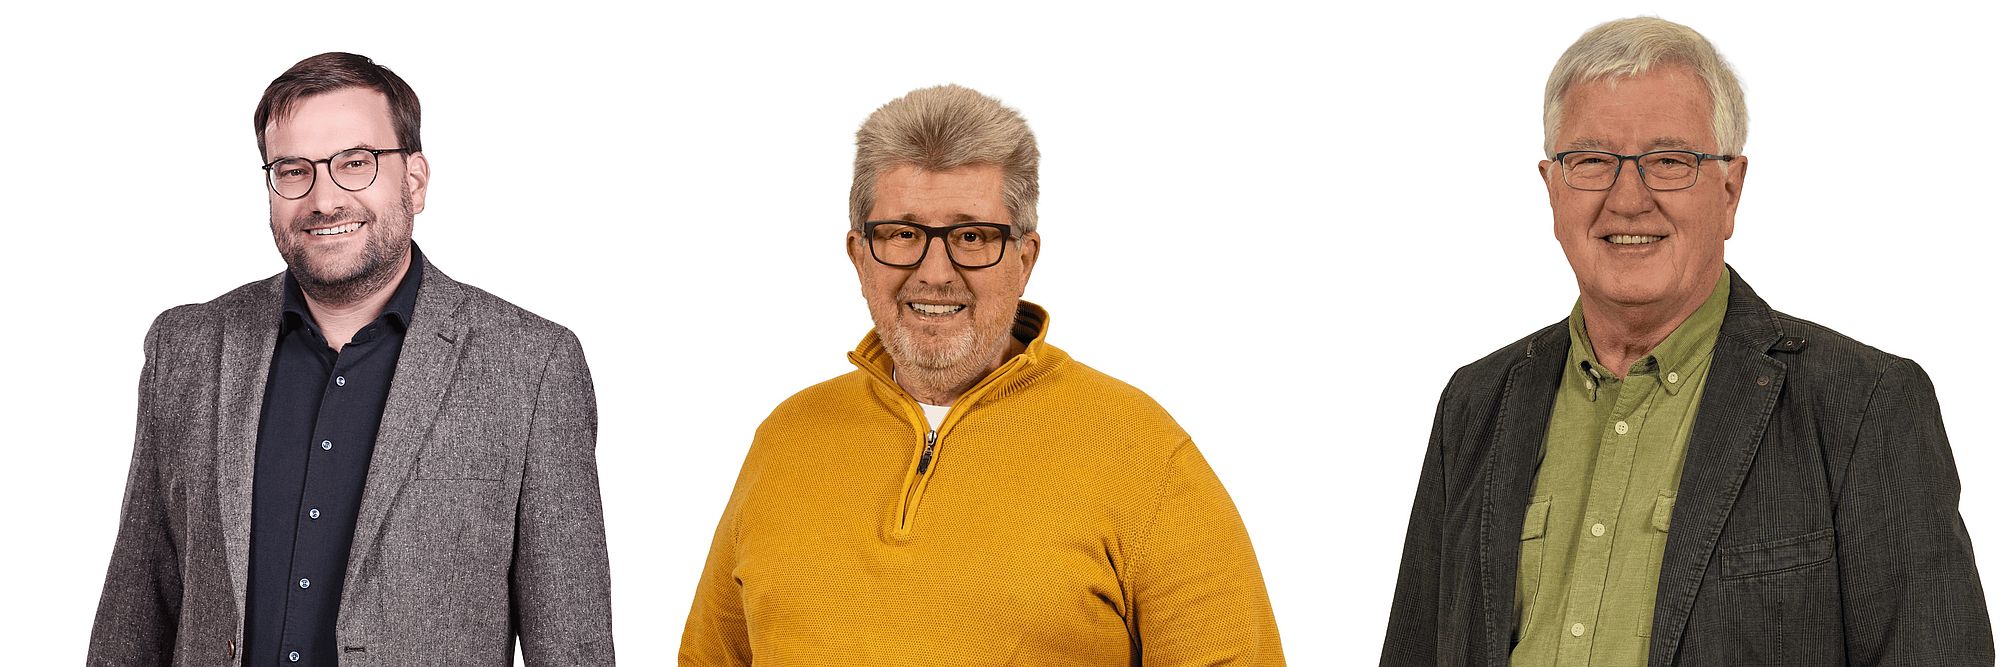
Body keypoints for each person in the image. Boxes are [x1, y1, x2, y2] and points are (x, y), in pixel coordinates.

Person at [1382, 17, 1994, 665]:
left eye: (1669, 162)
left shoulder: (1865, 405)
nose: (1627, 199)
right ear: (1551, 186)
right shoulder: (1475, 404)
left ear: (1731, 189)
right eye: (1591, 161)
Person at [679, 84, 1283, 665]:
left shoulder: (1141, 452)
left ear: (1025, 258)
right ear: (859, 255)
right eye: (903, 233)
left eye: (971, 236)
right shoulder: (785, 440)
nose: (935, 272)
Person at [87, 52, 614, 666]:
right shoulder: (189, 348)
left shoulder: (532, 366)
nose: (323, 199)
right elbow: (134, 609)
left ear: (414, 180)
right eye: (293, 170)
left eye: (355, 163)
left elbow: (572, 645)